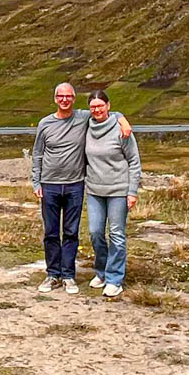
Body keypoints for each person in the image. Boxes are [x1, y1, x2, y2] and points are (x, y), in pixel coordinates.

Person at [31, 83, 129, 294]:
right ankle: (53, 274)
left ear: (73, 99)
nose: (64, 99)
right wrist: (36, 182)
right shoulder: (45, 123)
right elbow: (37, 153)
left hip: (75, 184)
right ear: (55, 98)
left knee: (71, 232)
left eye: (68, 96)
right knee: (50, 232)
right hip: (49, 184)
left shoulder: (82, 117)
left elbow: (105, 111)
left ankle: (68, 276)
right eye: (60, 96)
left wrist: (122, 119)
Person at [83, 89, 141, 299]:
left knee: (116, 234)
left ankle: (115, 279)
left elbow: (134, 161)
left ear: (108, 106)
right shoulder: (86, 125)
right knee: (95, 232)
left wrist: (132, 192)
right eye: (93, 107)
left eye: (101, 106)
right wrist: (119, 115)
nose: (97, 110)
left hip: (118, 190)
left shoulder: (121, 130)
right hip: (94, 190)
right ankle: (101, 271)